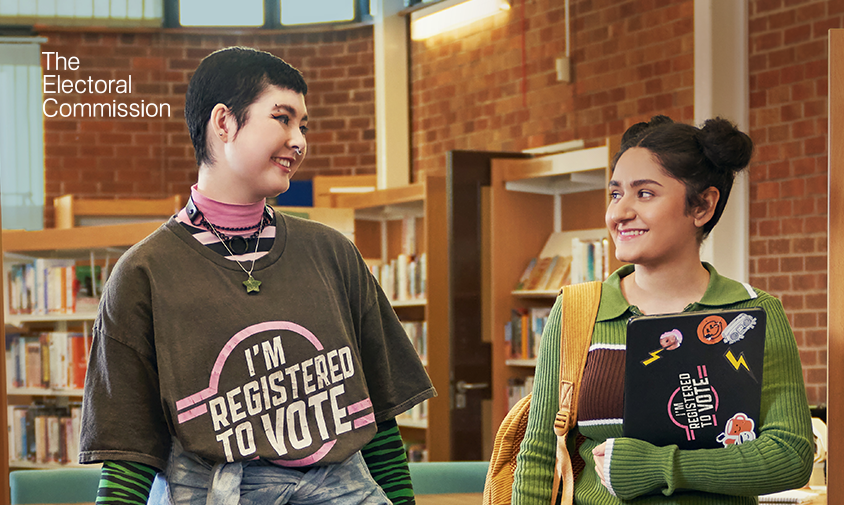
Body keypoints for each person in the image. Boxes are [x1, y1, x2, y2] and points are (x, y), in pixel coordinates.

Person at [79, 46, 435, 505]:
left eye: (303, 125)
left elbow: (376, 419)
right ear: (224, 122)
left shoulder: (333, 254)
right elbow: (129, 450)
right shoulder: (143, 273)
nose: (299, 140)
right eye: (282, 118)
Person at [511, 116, 814, 504]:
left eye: (645, 194)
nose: (620, 213)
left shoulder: (751, 314)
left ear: (702, 205)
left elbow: (790, 456)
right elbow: (538, 455)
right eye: (616, 194)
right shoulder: (577, 311)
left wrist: (657, 466)